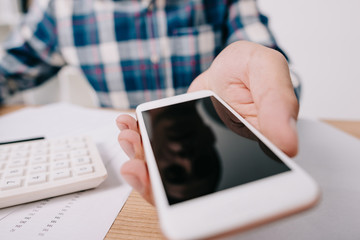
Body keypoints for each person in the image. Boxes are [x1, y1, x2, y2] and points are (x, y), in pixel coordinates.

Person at [0, 0, 299, 203]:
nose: (184, 155)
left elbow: (271, 70)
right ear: (208, 139)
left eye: (174, 173)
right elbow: (8, 69)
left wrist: (273, 91)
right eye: (201, 163)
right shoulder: (58, 7)